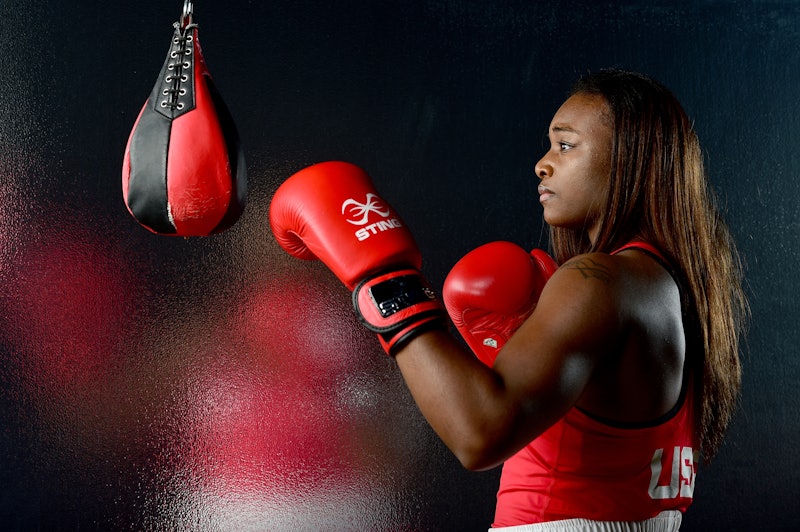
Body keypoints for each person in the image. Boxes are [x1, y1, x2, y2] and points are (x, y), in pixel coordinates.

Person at [269, 69, 748, 531]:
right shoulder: (674, 288)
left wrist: (386, 279)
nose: (543, 163)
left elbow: (478, 434)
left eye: (565, 145)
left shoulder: (597, 281)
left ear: (631, 159)